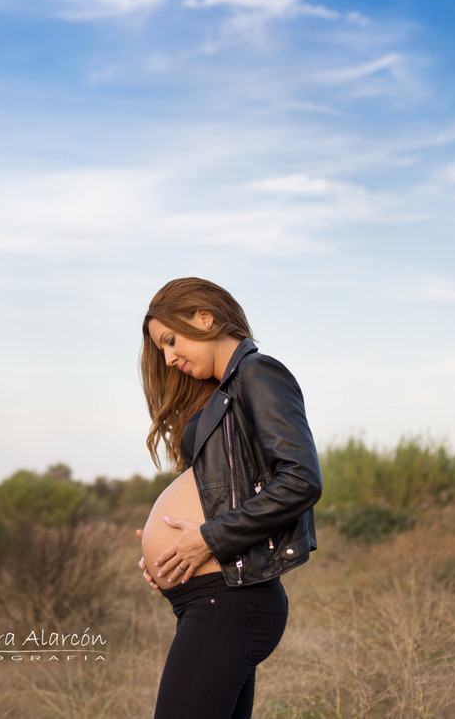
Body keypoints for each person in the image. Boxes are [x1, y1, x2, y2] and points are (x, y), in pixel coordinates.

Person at [135, 277, 322, 719]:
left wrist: (208, 540)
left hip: (231, 600)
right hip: (214, 598)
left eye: (170, 340)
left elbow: (300, 479)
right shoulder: (219, 395)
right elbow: (220, 492)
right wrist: (168, 553)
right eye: (161, 349)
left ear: (205, 317)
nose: (168, 357)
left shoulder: (258, 373)